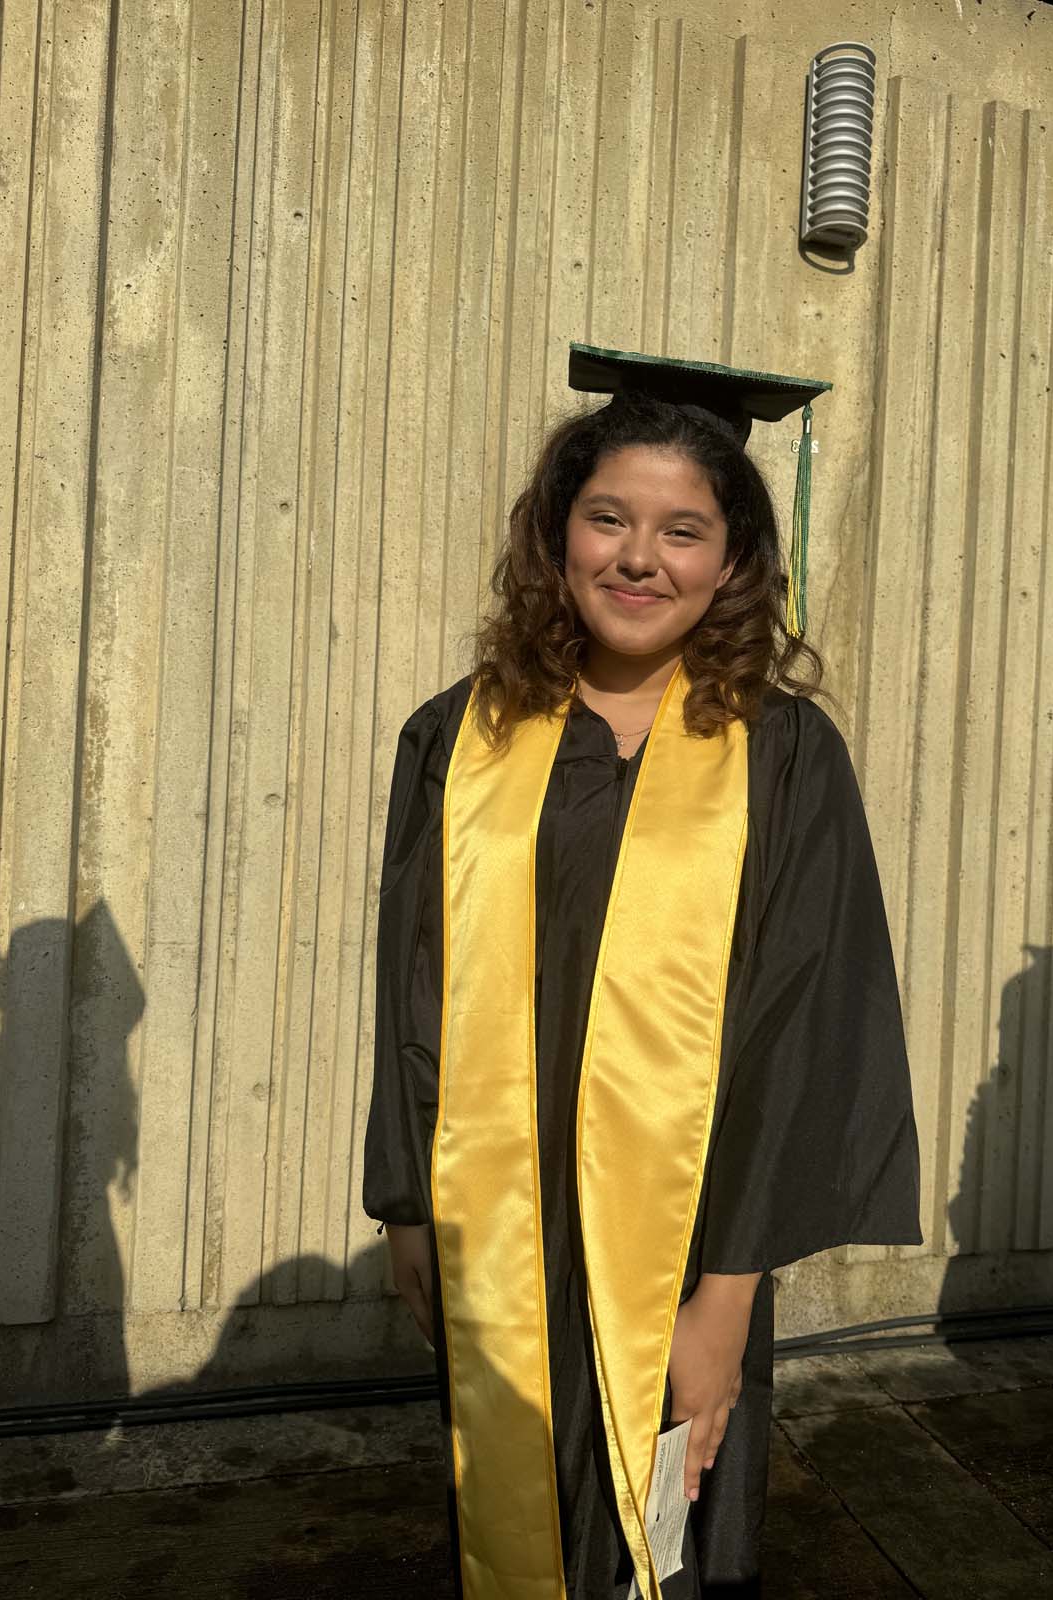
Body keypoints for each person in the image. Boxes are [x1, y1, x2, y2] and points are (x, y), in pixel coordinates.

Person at [362, 344, 922, 1600]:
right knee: (509, 1514)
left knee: (667, 1532)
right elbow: (414, 976)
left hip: (684, 1237)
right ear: (558, 535)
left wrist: (724, 1301)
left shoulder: (779, 754)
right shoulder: (462, 736)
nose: (638, 557)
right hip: (500, 1217)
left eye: (682, 530)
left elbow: (799, 1031)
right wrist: (406, 1198)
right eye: (608, 517)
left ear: (729, 564)